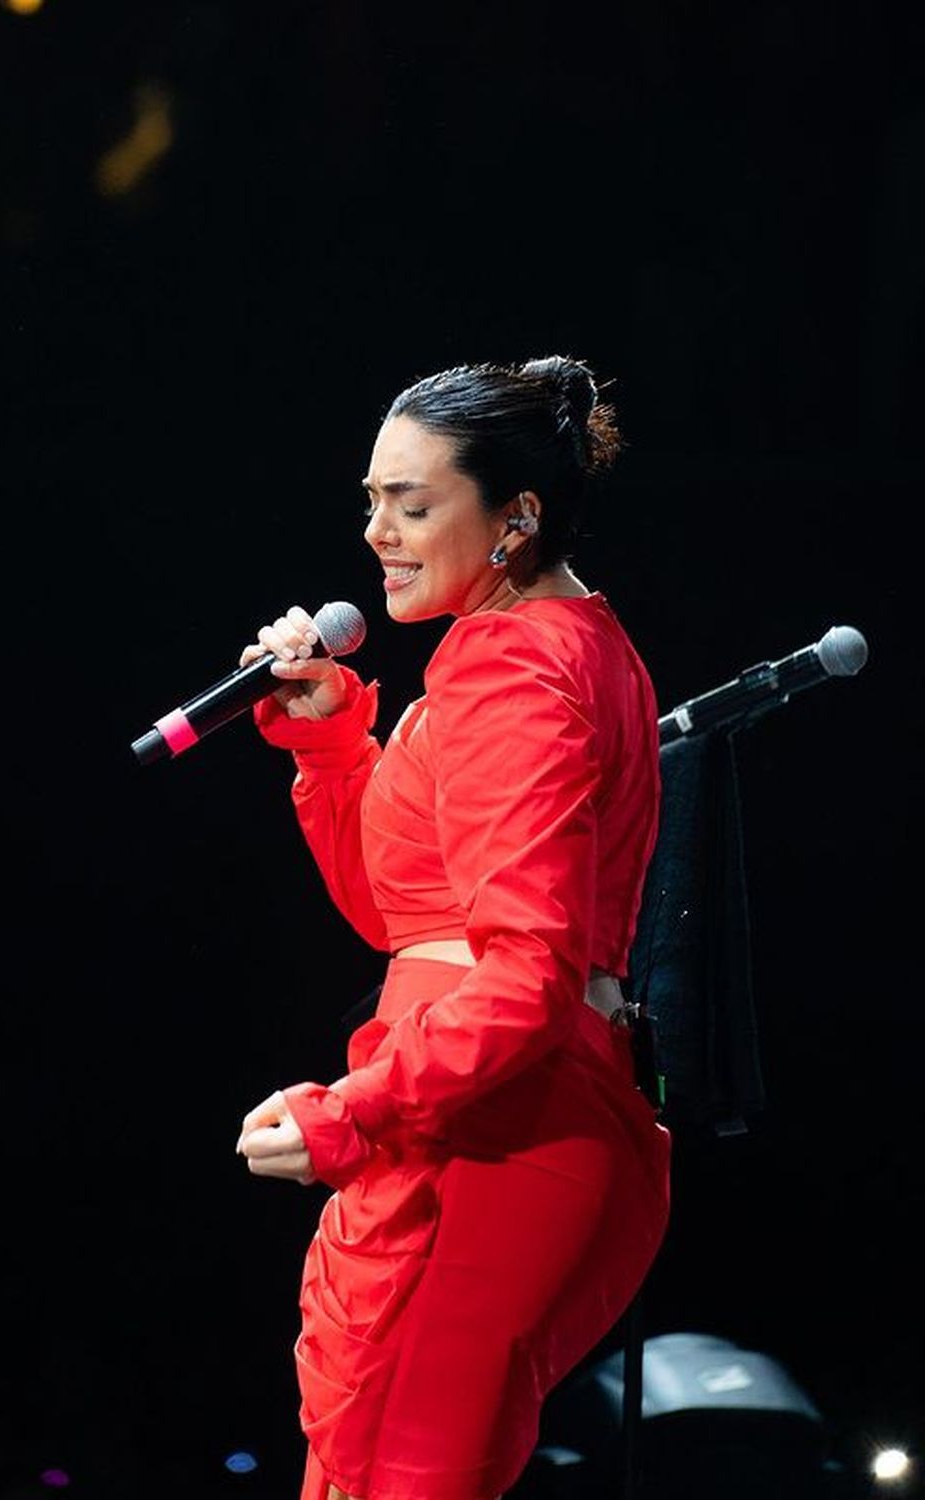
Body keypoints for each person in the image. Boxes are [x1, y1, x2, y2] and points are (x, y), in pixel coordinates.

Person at [234, 357, 672, 1500]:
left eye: (412, 505)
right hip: (497, 1114)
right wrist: (334, 743)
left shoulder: (514, 665)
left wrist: (353, 1110)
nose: (377, 533)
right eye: (372, 500)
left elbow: (525, 977)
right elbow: (410, 916)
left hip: (500, 1131)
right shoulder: (554, 640)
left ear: (516, 515)